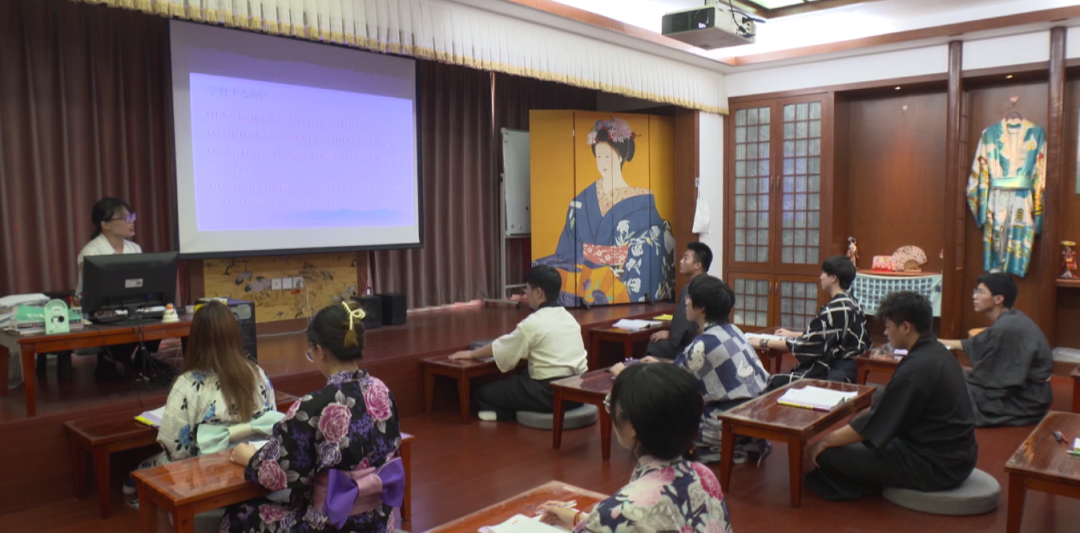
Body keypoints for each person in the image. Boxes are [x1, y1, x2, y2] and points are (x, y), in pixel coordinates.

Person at [223, 302, 403, 533]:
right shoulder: (383, 392)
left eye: (311, 353)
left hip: (330, 525)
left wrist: (250, 458)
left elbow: (276, 474)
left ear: (320, 350)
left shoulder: (312, 407)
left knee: (240, 513)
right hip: (378, 521)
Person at [805, 292, 978, 501]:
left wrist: (823, 441)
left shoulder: (918, 367)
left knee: (829, 455)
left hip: (936, 465)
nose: (886, 333)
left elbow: (875, 424)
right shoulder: (937, 351)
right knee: (859, 422)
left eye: (888, 327)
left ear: (905, 327)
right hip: (957, 454)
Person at [539, 363, 733, 532]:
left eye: (611, 405)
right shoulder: (704, 475)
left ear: (632, 426)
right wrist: (579, 519)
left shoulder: (617, 512)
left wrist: (592, 523)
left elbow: (623, 521)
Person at [612, 275, 771, 464]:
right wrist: (661, 365)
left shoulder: (703, 344)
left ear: (701, 307)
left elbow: (668, 385)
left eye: (689, 297)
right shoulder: (733, 330)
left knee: (661, 418)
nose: (686, 302)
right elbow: (687, 367)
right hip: (754, 415)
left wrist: (624, 374)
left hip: (727, 420)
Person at [124, 301, 277, 494]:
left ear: (195, 339)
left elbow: (177, 452)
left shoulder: (187, 385)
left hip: (206, 477)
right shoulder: (257, 374)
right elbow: (272, 424)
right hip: (252, 465)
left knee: (134, 477)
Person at [533, 118, 675, 306]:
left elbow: (650, 250)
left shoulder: (644, 202)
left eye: (607, 156)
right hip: (583, 286)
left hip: (622, 289)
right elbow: (566, 250)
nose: (602, 162)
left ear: (621, 157)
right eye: (599, 156)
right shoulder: (581, 202)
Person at [450, 265, 588, 421]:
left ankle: (507, 415)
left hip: (550, 394)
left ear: (538, 292)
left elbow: (503, 349)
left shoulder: (533, 323)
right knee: (520, 378)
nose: (525, 294)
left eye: (527, 289)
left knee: (483, 393)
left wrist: (472, 354)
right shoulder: (570, 318)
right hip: (577, 392)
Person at [938, 273, 1053, 427]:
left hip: (1026, 399)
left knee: (950, 383)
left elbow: (990, 378)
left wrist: (959, 373)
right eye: (975, 291)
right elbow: (974, 344)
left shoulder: (1006, 327)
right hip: (1031, 392)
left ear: (998, 299)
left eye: (981, 292)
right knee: (954, 377)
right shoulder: (1012, 317)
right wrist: (935, 342)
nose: (974, 296)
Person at [749, 255, 871, 387]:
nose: (821, 277)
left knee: (771, 383)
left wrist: (764, 341)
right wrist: (792, 334)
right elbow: (828, 336)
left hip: (834, 372)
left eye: (824, 273)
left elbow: (806, 345)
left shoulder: (835, 309)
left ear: (833, 278)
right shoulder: (852, 302)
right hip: (849, 369)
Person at [77, 197, 156, 381]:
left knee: (158, 312)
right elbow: (92, 292)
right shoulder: (91, 252)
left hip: (129, 306)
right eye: (125, 218)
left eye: (132, 217)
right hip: (98, 311)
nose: (132, 222)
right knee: (120, 317)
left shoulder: (134, 249)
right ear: (105, 224)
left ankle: (143, 357)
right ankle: (109, 360)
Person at [644, 242, 712, 360]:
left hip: (692, 345)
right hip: (708, 340)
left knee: (655, 343)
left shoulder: (691, 289)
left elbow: (679, 332)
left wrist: (671, 335)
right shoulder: (711, 284)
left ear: (697, 265)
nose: (680, 261)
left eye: (686, 258)